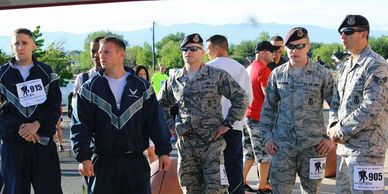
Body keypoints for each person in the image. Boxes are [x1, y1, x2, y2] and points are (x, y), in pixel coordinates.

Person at [71, 37, 171, 194]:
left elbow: (155, 121)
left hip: (135, 162)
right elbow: (80, 125)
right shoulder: (89, 89)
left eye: (106, 52)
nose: (100, 55)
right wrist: (83, 157)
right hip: (103, 162)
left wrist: (163, 151)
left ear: (121, 54)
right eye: (99, 52)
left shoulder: (142, 87)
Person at [158, 33, 248, 194]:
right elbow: (160, 105)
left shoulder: (216, 75)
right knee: (190, 189)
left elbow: (240, 97)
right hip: (187, 145)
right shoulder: (174, 79)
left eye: (194, 49)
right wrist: (171, 125)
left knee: (216, 189)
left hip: (211, 144)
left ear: (202, 52)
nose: (189, 52)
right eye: (185, 49)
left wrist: (228, 122)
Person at [259, 27, 336, 194]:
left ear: (308, 47)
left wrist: (331, 137)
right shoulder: (277, 74)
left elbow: (336, 107)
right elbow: (268, 109)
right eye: (291, 46)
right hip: (282, 146)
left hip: (314, 147)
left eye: (300, 46)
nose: (295, 50)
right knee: (279, 190)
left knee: (312, 191)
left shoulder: (322, 74)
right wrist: (267, 138)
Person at [327, 15, 388, 194]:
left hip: (367, 152)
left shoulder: (376, 65)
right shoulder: (346, 66)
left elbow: (372, 106)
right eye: (341, 33)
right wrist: (332, 124)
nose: (343, 36)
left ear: (364, 34)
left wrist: (340, 130)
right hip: (344, 150)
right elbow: (336, 100)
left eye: (348, 32)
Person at [0, 28, 63, 194]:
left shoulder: (46, 72)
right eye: (16, 43)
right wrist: (22, 129)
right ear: (11, 47)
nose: (20, 47)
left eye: (24, 43)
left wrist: (37, 124)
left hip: (42, 144)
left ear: (33, 46)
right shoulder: (2, 75)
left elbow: (55, 105)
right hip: (13, 147)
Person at [205, 34, 252, 194]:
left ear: (217, 48)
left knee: (211, 172)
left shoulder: (207, 68)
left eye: (208, 48)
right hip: (234, 127)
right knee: (233, 171)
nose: (206, 51)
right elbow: (248, 98)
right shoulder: (240, 69)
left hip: (211, 128)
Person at [245, 40, 281, 194]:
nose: (274, 54)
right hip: (259, 118)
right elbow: (270, 98)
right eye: (271, 51)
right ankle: (262, 187)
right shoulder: (263, 71)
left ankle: (240, 182)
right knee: (264, 156)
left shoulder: (250, 67)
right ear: (261, 52)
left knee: (249, 153)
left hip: (248, 115)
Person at [134, 65, 158, 164]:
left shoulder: (149, 88)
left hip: (149, 125)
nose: (143, 76)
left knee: (151, 152)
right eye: (140, 74)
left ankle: (154, 178)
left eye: (144, 74)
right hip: (135, 127)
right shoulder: (131, 90)